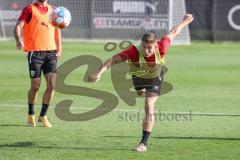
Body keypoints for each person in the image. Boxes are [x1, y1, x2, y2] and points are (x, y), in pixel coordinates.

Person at [88, 14, 194, 152]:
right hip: (138, 77)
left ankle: (143, 143)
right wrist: (99, 73)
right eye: (144, 46)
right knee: (140, 92)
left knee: (149, 105)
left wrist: (185, 21)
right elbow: (113, 60)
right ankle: (143, 90)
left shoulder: (162, 47)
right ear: (141, 44)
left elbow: (173, 32)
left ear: (156, 45)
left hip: (155, 76)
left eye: (150, 47)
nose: (147, 50)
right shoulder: (133, 51)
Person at [13, 0, 62, 128]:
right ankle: (31, 114)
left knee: (52, 85)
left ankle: (43, 116)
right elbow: (18, 25)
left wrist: (59, 47)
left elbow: (57, 29)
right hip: (35, 53)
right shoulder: (29, 9)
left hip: (51, 53)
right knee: (35, 86)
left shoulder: (54, 10)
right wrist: (19, 40)